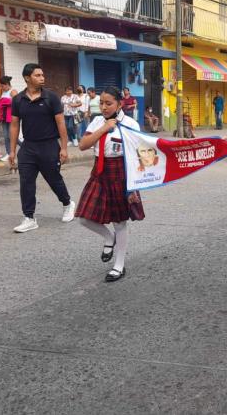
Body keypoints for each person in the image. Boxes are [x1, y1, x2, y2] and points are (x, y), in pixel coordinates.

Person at [76, 86, 143, 282]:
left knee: (119, 221)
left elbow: (137, 156)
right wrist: (105, 127)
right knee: (84, 217)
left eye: (109, 103)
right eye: (102, 103)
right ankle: (108, 238)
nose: (104, 107)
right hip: (99, 172)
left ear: (120, 104)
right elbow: (83, 145)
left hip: (121, 173)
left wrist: (132, 187)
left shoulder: (130, 124)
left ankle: (119, 265)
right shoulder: (97, 121)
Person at [9, 63, 76, 233]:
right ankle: (29, 217)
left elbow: (61, 123)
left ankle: (67, 203)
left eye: (42, 75)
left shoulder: (51, 97)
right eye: (38, 75)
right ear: (27, 78)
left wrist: (64, 148)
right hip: (28, 147)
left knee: (54, 179)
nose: (42, 78)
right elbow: (15, 125)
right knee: (26, 183)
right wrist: (12, 151)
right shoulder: (18, 100)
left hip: (49, 146)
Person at [0, 76, 19, 163]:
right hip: (4, 117)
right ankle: (8, 153)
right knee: (6, 136)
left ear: (6, 84)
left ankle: (25, 148)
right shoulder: (3, 93)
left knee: (12, 136)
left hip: (12, 117)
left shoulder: (13, 91)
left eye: (2, 86)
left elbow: (17, 103)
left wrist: (4, 102)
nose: (1, 88)